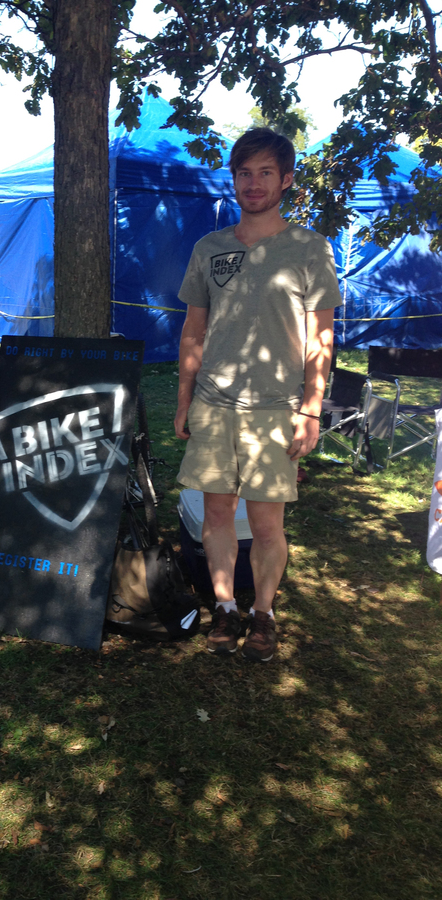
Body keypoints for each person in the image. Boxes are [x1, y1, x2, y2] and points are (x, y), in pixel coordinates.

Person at [174, 128, 342, 662]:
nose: (253, 182)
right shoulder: (210, 248)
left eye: (265, 172)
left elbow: (322, 337)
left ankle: (264, 614)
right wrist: (183, 400)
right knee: (216, 516)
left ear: (286, 179)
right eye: (244, 172)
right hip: (213, 404)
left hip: (276, 408)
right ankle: (225, 608)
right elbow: (192, 332)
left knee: (267, 523)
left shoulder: (309, 249)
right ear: (234, 178)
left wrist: (312, 408)